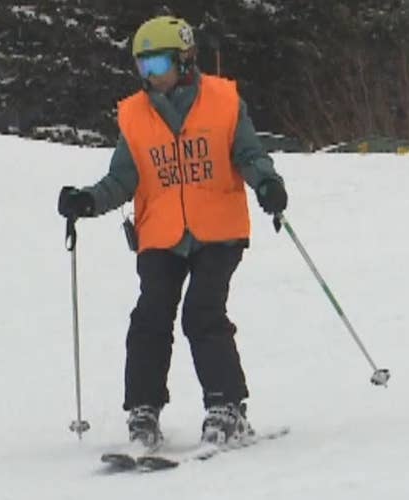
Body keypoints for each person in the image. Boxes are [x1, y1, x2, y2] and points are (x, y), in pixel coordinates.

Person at [57, 15, 287, 450]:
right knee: (150, 316)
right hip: (160, 235)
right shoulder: (135, 116)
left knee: (202, 312)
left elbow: (249, 153)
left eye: (159, 65)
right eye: (143, 67)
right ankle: (143, 411)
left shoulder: (223, 101)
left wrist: (268, 184)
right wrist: (87, 201)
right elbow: (122, 179)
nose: (151, 77)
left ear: (185, 59)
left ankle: (227, 407)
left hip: (218, 230)